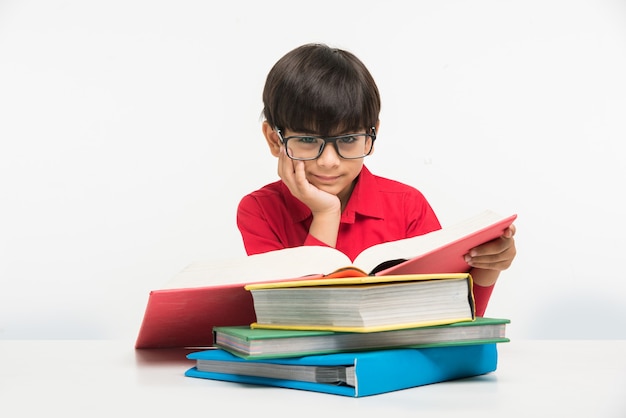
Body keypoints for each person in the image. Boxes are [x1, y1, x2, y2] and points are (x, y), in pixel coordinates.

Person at [236, 43, 516, 316]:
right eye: (308, 140)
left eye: (348, 139)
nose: (329, 161)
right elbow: (293, 317)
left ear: (373, 133)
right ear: (275, 140)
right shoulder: (259, 210)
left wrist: (489, 267)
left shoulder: (408, 205)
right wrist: (326, 213)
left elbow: (452, 318)